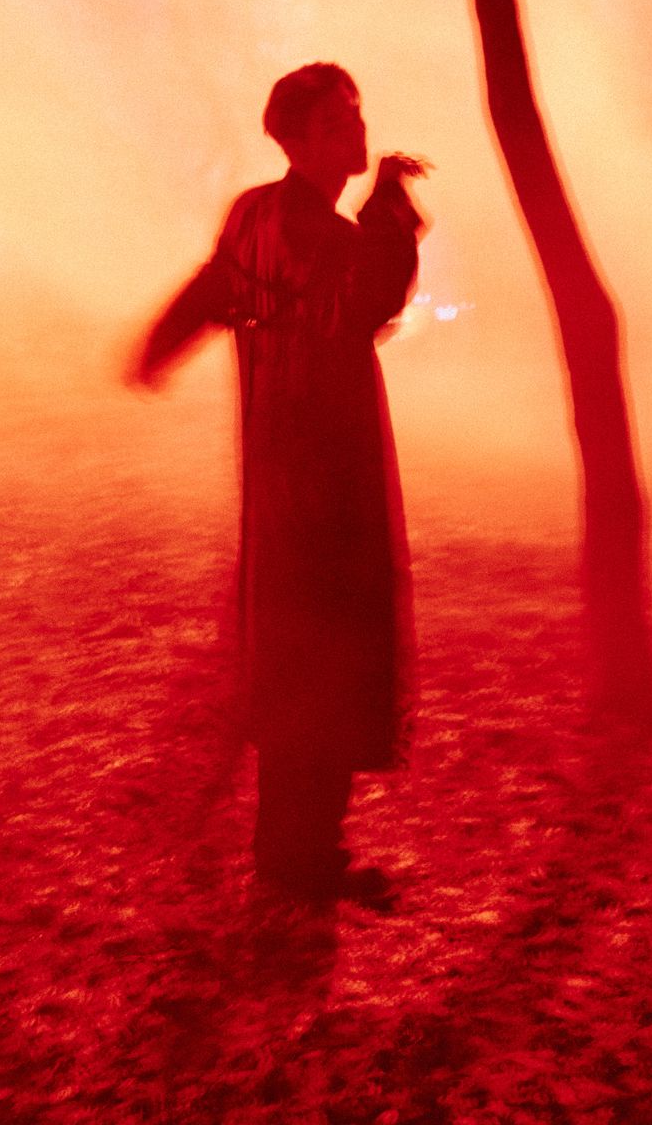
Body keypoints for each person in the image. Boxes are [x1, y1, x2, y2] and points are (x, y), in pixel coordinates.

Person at [129, 62, 428, 903]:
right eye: (335, 124)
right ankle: (301, 860)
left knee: (299, 660)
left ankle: (293, 855)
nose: (356, 134)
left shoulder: (254, 212)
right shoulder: (325, 235)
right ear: (294, 140)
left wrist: (160, 343)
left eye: (357, 116)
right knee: (327, 662)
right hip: (327, 475)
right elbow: (370, 297)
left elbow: (212, 284)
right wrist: (391, 213)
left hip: (278, 465)